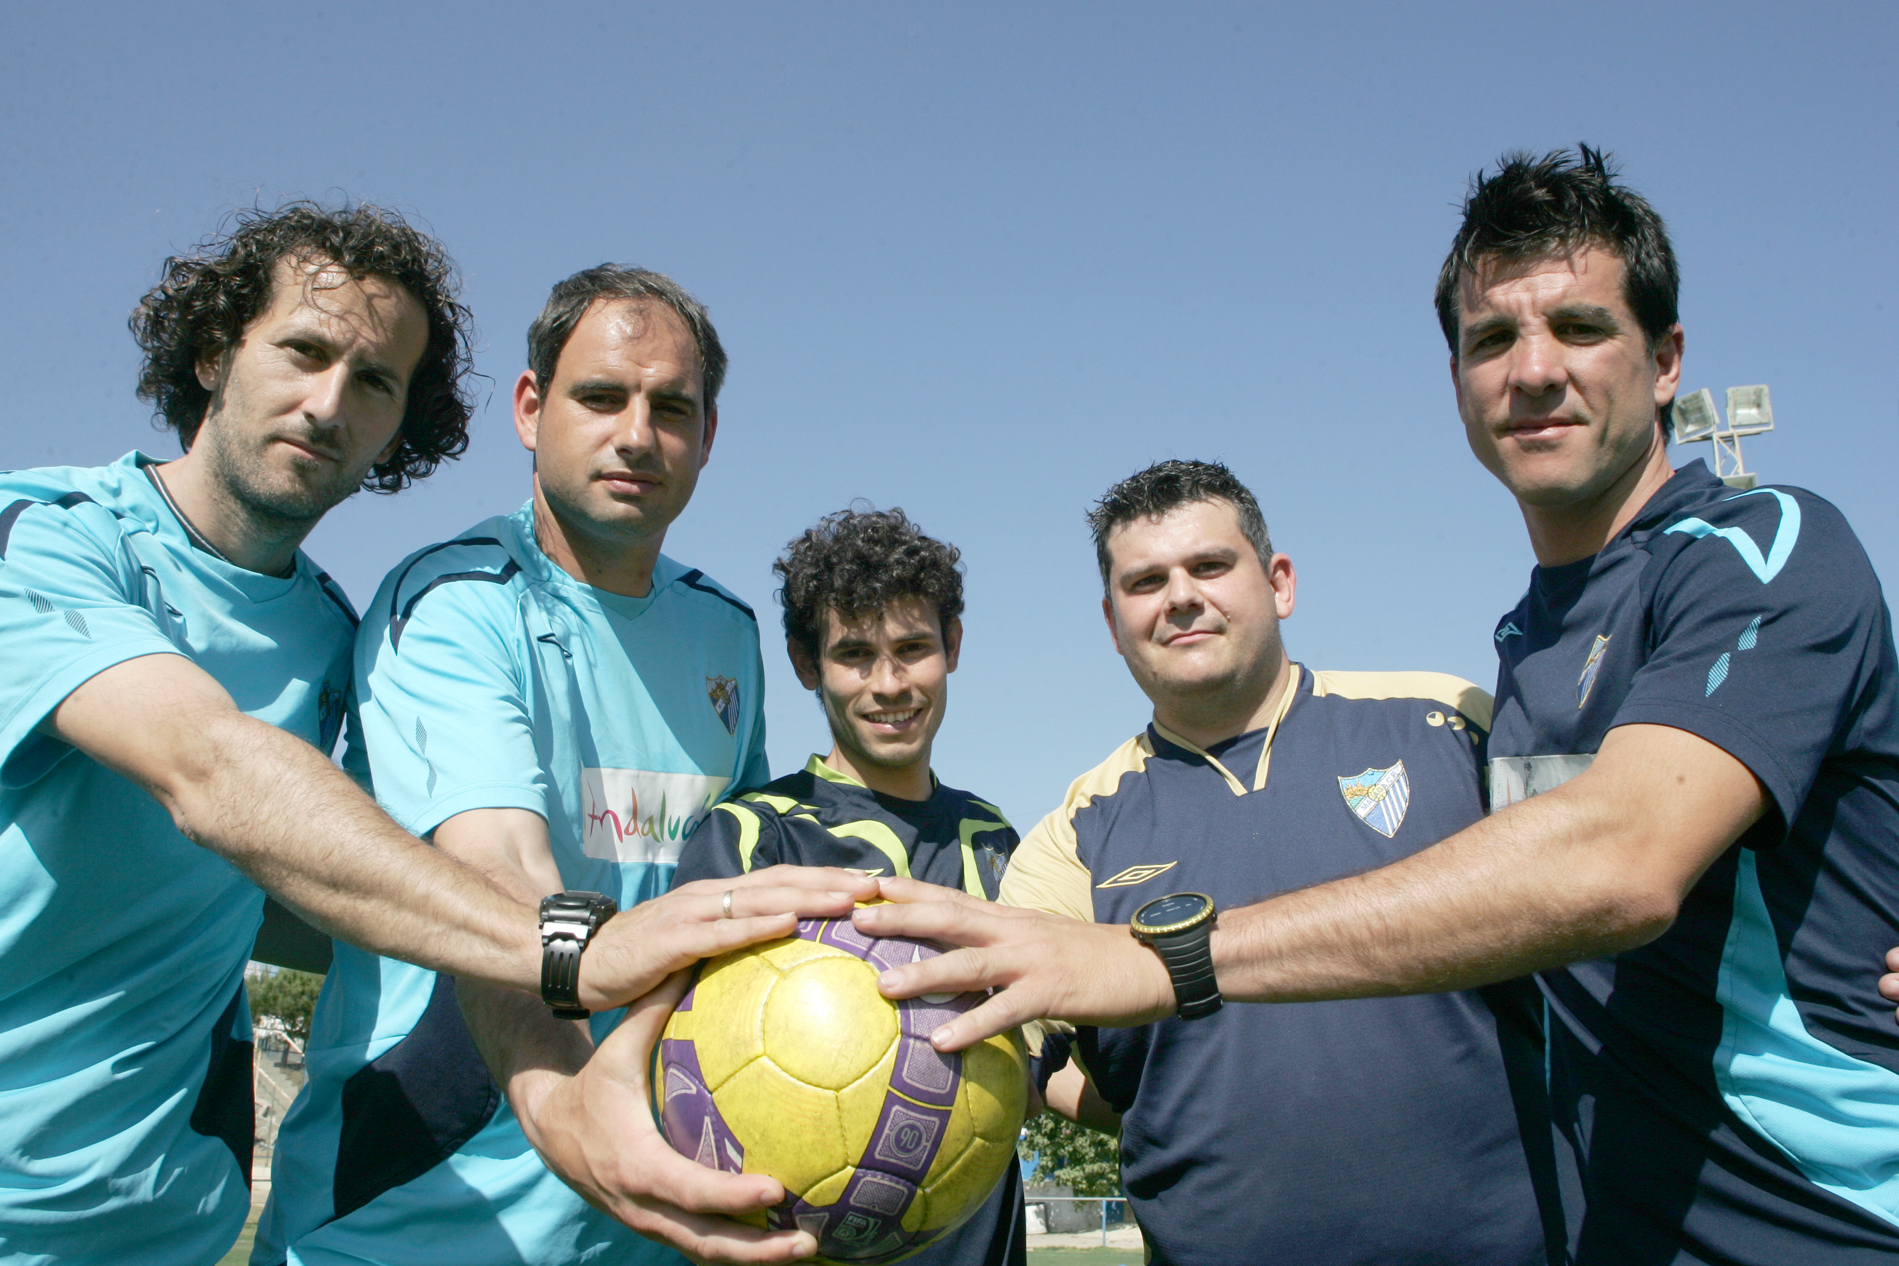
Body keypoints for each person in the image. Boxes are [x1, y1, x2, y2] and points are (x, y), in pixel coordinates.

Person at [857, 147, 1899, 1264]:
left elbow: (1621, 862)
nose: (1534, 370)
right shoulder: (1527, 644)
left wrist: (1167, 961)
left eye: (1582, 329)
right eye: (1492, 340)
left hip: (1817, 1227)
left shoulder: (1760, 547)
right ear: (1456, 382)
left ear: (1665, 362)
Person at [0, 210, 868, 1266]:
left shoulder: (330, 632)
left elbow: (314, 890)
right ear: (214, 350)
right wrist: (571, 962)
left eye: (375, 381)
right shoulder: (42, 537)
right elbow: (215, 772)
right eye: (304, 351)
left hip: (167, 1220)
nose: (328, 404)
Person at [254, 265, 872, 1266]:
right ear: (532, 410)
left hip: (652, 1217)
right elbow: (494, 870)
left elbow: (731, 887)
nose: (637, 435)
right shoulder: (452, 603)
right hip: (418, 1217)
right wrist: (573, 1106)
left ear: (708, 436)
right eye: (600, 397)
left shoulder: (725, 631)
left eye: (672, 407)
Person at [982, 460, 1546, 1264]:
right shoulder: (1072, 834)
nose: (1180, 596)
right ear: (1112, 623)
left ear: (1278, 583)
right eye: (1145, 582)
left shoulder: (1448, 722)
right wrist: (1149, 1106)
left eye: (1209, 566)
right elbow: (1017, 1064)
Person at [673, 506, 1027, 1266]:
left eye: (912, 648)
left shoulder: (995, 839)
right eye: (854, 655)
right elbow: (681, 1070)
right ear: (806, 664)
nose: (889, 683)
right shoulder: (748, 835)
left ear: (952, 647)